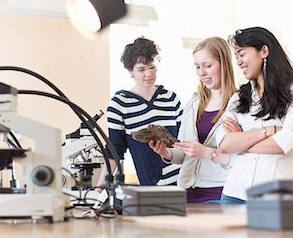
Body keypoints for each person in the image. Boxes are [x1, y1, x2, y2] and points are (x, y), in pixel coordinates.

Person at [216, 27, 293, 203]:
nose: (238, 61)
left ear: (264, 51)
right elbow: (223, 144)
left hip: (278, 195)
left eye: (242, 54)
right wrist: (268, 132)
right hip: (235, 194)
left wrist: (241, 141)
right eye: (236, 56)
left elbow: (287, 142)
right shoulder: (239, 97)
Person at [149, 37, 237, 202]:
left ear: (224, 63)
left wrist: (206, 152)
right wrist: (166, 153)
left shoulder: (238, 105)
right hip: (186, 191)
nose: (201, 73)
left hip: (220, 190)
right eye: (197, 67)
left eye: (207, 66)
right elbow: (184, 154)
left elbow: (241, 160)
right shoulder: (193, 104)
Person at [97, 36, 183, 187]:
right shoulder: (120, 104)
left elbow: (184, 142)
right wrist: (98, 190)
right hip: (151, 187)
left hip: (183, 183)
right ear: (130, 71)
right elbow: (114, 151)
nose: (149, 74)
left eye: (152, 67)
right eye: (141, 69)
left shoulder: (171, 98)